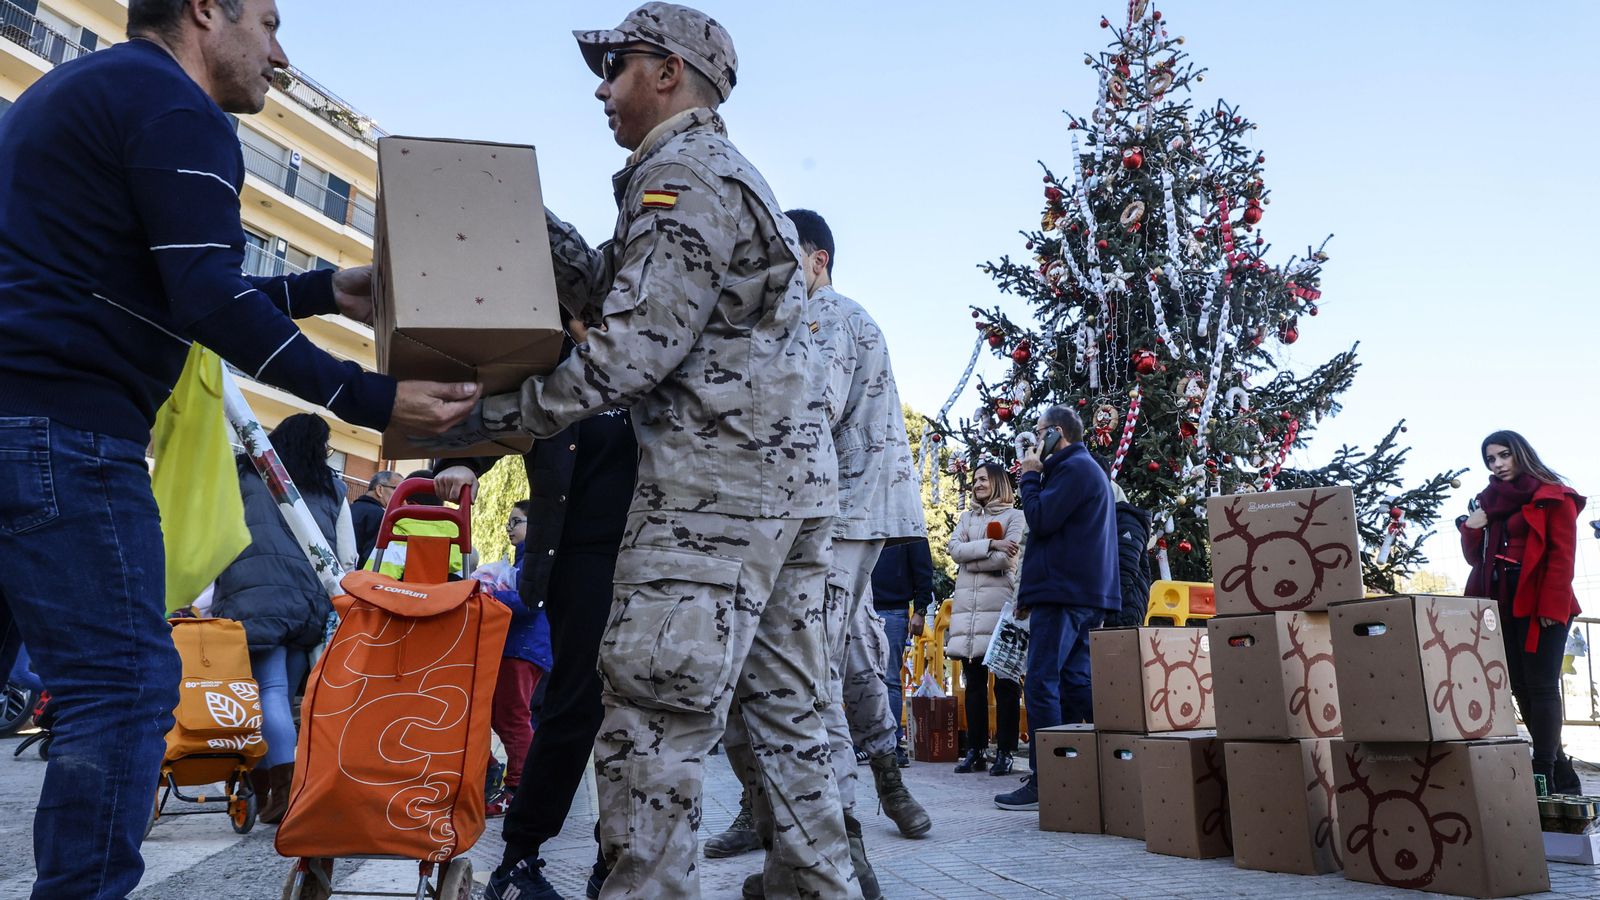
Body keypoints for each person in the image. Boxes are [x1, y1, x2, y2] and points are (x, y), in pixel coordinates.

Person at [0, 2, 475, 894]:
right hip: (65, 429)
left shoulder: (74, 92)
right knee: (126, 688)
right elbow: (208, 298)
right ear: (205, 10)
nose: (280, 55)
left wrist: (323, 288)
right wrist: (371, 397)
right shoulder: (179, 107)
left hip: (19, 416)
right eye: (267, 22)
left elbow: (162, 281)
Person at [425, 6, 853, 898]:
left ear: (668, 73)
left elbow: (629, 352)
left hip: (711, 495)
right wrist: (519, 218)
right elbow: (620, 290)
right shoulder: (711, 176)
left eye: (615, 66)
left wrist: (482, 421)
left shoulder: (682, 176)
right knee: (786, 723)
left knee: (654, 719)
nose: (601, 88)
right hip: (783, 492)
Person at [442, 377, 636, 898]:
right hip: (581, 561)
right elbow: (506, 401)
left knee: (643, 715)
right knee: (576, 706)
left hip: (661, 557)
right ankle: (518, 860)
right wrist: (462, 462)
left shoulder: (659, 352)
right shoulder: (558, 361)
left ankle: (615, 857)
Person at [211, 414, 354, 824]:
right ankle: (273, 791)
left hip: (253, 594)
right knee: (283, 694)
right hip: (309, 599)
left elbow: (218, 530)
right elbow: (347, 556)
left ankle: (278, 791)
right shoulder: (332, 487)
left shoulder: (246, 472)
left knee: (265, 693)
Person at [995, 406, 1119, 812]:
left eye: (1039, 433)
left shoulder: (1073, 468)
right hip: (1081, 593)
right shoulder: (1085, 469)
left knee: (1041, 681)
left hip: (1064, 593)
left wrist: (1030, 476)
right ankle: (1098, 762)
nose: (1033, 441)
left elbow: (1041, 518)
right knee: (1074, 683)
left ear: (1056, 434)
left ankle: (1046, 779)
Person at [1458, 430, 1586, 793]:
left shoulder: (1553, 496)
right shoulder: (1488, 502)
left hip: (1541, 598)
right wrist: (1470, 528)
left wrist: (1552, 605)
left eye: (1504, 455)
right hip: (1501, 600)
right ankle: (1561, 772)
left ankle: (1542, 768)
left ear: (1520, 453)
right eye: (1490, 459)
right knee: (1519, 685)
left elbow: (1562, 557)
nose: (1497, 464)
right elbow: (1475, 558)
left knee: (1542, 685)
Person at [944, 462, 1026, 777]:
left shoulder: (1015, 516)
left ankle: (1005, 752)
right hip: (969, 613)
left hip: (1002, 610)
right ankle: (976, 750)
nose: (977, 484)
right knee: (974, 684)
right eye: (975, 479)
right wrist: (991, 544)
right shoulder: (966, 518)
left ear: (998, 482)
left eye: (983, 479)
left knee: (1006, 684)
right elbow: (954, 550)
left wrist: (972, 557)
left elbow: (1008, 558)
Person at [475, 501, 555, 818]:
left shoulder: (536, 561)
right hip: (518, 648)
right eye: (509, 522)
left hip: (523, 648)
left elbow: (527, 602)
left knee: (512, 717)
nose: (509, 528)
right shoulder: (525, 560)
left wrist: (488, 593)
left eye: (516, 522)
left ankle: (521, 788)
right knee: (499, 715)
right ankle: (510, 778)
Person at [876, 537, 935, 765]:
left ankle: (891, 744)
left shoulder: (907, 524)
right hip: (859, 605)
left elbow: (923, 567)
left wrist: (920, 609)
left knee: (890, 678)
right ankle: (863, 742)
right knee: (857, 678)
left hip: (893, 608)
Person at [351, 470, 401, 567]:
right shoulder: (382, 517)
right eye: (398, 489)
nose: (402, 495)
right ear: (379, 490)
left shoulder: (350, 508)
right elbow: (371, 558)